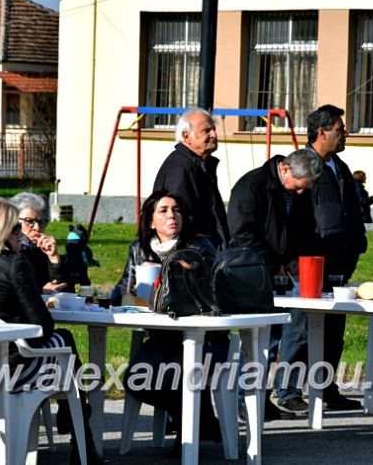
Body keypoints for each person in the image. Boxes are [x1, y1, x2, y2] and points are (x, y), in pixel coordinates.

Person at [0, 197, 104, 464]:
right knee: (63, 340)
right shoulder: (13, 263)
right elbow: (42, 327)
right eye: (17, 229)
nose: (22, 235)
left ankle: (76, 425)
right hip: (13, 368)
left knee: (60, 347)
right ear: (3, 230)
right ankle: (80, 434)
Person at [121, 190, 228, 451]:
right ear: (150, 221)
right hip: (162, 337)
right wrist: (128, 294)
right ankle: (204, 422)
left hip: (204, 337)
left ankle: (188, 435)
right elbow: (123, 289)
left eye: (177, 210)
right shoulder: (139, 249)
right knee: (134, 379)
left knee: (179, 374)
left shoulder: (199, 247)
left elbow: (215, 292)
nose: (172, 215)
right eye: (164, 210)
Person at [227, 150, 323, 418]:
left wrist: (296, 257)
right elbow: (242, 233)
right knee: (258, 341)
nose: (302, 193)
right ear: (285, 170)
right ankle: (244, 401)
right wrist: (272, 262)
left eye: (307, 189)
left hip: (282, 273)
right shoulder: (252, 186)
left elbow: (305, 229)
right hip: (252, 272)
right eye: (300, 186)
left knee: (284, 333)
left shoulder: (296, 192)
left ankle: (270, 395)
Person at [304, 104, 368, 410]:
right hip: (313, 260)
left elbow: (351, 209)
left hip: (341, 260)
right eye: (340, 129)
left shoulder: (339, 167)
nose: (345, 134)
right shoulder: (304, 164)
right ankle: (288, 390)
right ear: (322, 132)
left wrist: (358, 241)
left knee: (334, 328)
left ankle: (326, 387)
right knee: (302, 329)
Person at [153, 108, 229, 250]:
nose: (214, 134)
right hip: (190, 257)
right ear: (186, 136)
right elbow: (176, 222)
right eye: (206, 131)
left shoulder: (199, 165)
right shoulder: (182, 169)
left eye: (213, 129)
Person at [9, 192, 73, 293]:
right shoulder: (7, 252)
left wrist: (55, 259)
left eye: (41, 222)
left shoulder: (43, 251)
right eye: (29, 221)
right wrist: (41, 292)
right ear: (14, 221)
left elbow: (66, 292)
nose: (37, 228)